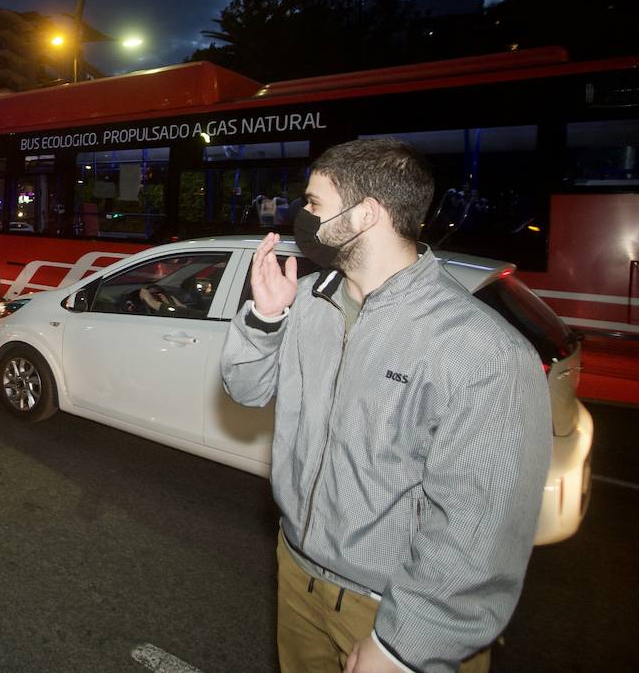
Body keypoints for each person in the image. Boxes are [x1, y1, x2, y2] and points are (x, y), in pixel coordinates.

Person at [219, 137, 551, 673]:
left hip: (390, 610)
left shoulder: (480, 348)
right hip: (295, 573)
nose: (301, 216)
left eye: (313, 204)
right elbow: (246, 390)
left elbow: (481, 529)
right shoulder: (306, 301)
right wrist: (265, 317)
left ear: (366, 214)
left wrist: (405, 646)